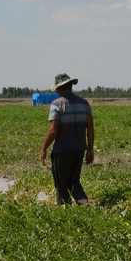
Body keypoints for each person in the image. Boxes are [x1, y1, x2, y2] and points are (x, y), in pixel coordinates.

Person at [40, 73, 94, 206]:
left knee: (61, 183)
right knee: (74, 180)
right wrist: (90, 149)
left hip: (62, 151)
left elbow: (53, 130)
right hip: (79, 149)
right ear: (70, 86)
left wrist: (43, 148)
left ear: (59, 88)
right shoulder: (84, 103)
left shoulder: (57, 104)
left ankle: (64, 211)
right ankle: (84, 205)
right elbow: (90, 129)